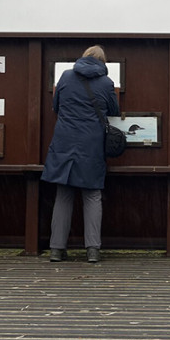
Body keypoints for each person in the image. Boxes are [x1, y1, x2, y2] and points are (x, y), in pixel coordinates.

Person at [41, 45, 120, 263]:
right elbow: (114, 110)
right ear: (103, 63)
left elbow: (55, 106)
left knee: (64, 194)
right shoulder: (106, 83)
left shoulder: (66, 77)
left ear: (83, 58)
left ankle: (57, 249)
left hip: (64, 142)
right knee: (92, 194)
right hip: (91, 144)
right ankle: (92, 249)